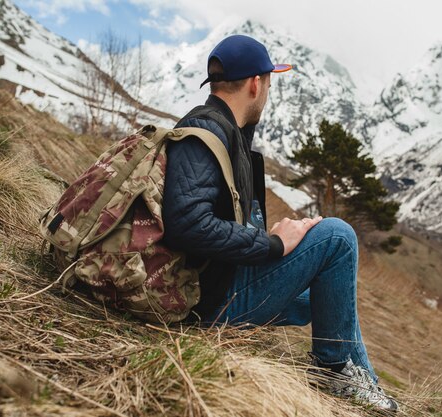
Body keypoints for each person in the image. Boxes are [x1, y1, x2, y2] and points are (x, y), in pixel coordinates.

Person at [162, 34, 399, 411]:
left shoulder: (229, 133)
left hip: (216, 283)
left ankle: (368, 388)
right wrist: (272, 246)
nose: (269, 91)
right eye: (270, 82)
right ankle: (334, 373)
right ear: (256, 84)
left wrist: (272, 236)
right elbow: (186, 223)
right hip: (204, 302)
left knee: (324, 299)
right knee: (337, 236)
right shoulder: (205, 133)